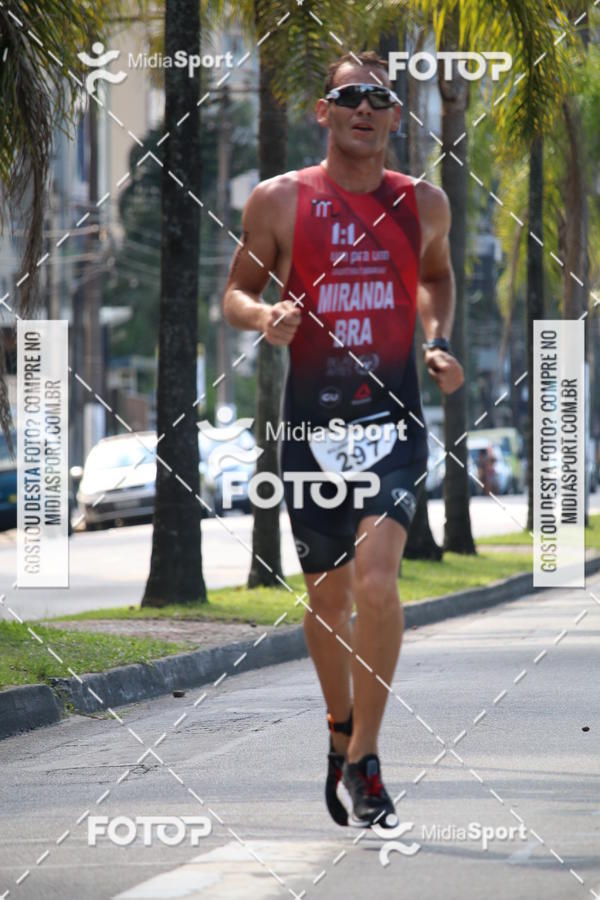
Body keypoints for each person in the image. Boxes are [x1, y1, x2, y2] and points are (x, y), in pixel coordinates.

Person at [222, 50, 464, 829]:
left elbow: (437, 275)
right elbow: (236, 291)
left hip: (392, 423)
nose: (365, 108)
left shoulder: (423, 203)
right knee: (326, 600)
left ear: (397, 115)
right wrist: (266, 320)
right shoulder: (281, 201)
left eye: (381, 98)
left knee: (375, 582)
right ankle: (338, 732)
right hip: (309, 430)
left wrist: (437, 338)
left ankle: (367, 756)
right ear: (322, 111)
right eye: (349, 95)